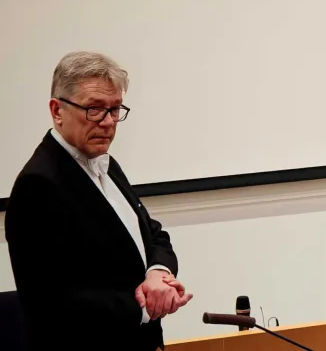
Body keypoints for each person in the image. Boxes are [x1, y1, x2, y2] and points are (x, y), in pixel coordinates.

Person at [5, 51, 193, 350]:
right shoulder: (38, 184)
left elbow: (152, 234)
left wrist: (158, 273)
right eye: (94, 109)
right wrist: (146, 306)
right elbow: (50, 300)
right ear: (57, 110)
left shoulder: (107, 163)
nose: (108, 122)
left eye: (115, 109)